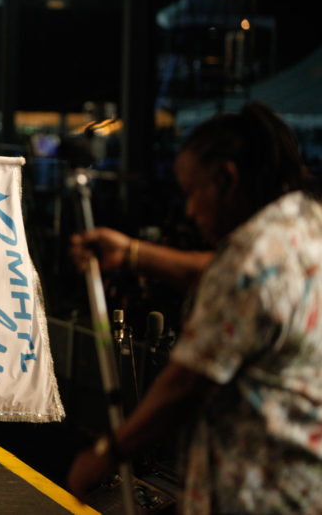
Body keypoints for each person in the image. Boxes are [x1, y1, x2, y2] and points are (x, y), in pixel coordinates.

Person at [66, 102, 322, 513]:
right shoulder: (303, 226)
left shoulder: (250, 259)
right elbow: (228, 278)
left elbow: (186, 384)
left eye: (192, 192)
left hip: (257, 494)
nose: (188, 210)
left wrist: (107, 453)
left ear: (227, 179)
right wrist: (132, 254)